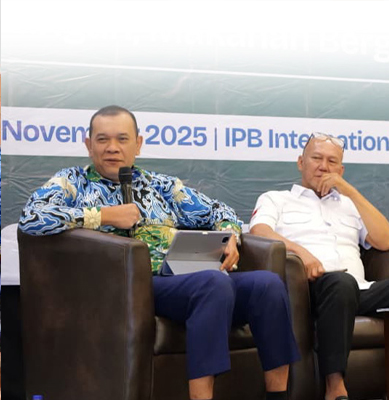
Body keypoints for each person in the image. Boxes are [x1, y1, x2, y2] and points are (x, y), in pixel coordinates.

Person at [19, 105, 299, 400]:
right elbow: (32, 218)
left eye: (122, 139)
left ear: (138, 144)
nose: (112, 148)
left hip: (183, 279)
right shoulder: (73, 182)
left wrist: (231, 235)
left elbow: (220, 210)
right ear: (89, 145)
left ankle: (277, 396)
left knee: (266, 285)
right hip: (125, 288)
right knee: (213, 282)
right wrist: (103, 216)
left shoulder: (161, 186)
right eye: (102, 139)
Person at [249, 132, 389, 400]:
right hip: (311, 289)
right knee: (340, 282)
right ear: (301, 162)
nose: (323, 167)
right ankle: (334, 386)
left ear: (341, 170)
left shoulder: (349, 204)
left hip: (359, 291)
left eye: (332, 161)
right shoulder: (276, 199)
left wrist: (350, 191)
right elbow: (259, 231)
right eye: (316, 158)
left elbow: (386, 240)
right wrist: (301, 253)